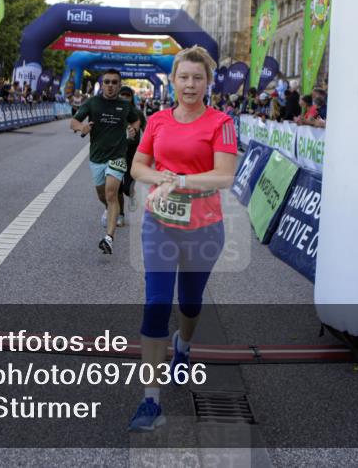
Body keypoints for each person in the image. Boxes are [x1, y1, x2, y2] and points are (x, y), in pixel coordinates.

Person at [127, 45, 238, 432]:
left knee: (190, 304)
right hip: (159, 223)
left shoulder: (221, 122)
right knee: (156, 303)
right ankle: (150, 402)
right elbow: (137, 165)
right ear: (172, 81)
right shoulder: (156, 121)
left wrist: (182, 183)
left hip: (203, 228)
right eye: (183, 77)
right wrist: (161, 179)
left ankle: (184, 347)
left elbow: (225, 176)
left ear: (208, 82)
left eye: (198, 78)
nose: (190, 85)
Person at [70, 69, 142, 254]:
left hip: (118, 156)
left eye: (114, 82)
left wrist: (133, 130)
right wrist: (82, 127)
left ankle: (109, 238)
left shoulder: (125, 105)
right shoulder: (93, 103)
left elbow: (136, 121)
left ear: (119, 85)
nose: (110, 86)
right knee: (103, 195)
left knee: (111, 194)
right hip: (97, 157)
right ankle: (110, 210)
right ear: (102, 84)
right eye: (107, 82)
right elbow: (74, 122)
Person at [119, 85, 146, 221]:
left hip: (132, 151)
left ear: (131, 98)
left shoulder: (137, 113)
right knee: (116, 184)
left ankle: (132, 195)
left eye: (127, 95)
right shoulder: (115, 111)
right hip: (116, 150)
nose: (124, 98)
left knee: (127, 184)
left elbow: (147, 131)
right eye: (122, 95)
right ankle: (120, 215)